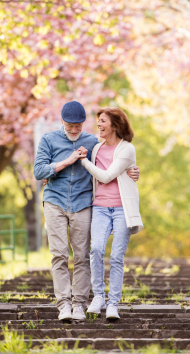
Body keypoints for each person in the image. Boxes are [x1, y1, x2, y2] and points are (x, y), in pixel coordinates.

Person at [33, 101, 139, 321]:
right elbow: (39, 171)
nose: (74, 130)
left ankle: (79, 304)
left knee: (82, 256)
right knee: (59, 255)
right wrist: (65, 162)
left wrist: (134, 171)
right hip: (55, 201)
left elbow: (114, 161)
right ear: (62, 121)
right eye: (70, 125)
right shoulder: (48, 140)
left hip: (83, 203)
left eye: (78, 126)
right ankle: (64, 304)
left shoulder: (93, 143)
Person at [78, 107, 143, 320]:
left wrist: (84, 162)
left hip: (122, 209)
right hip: (100, 207)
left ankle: (113, 303)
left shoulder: (127, 149)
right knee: (96, 249)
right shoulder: (96, 148)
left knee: (116, 257)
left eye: (103, 121)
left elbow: (106, 176)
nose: (98, 125)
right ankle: (98, 296)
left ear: (115, 124)